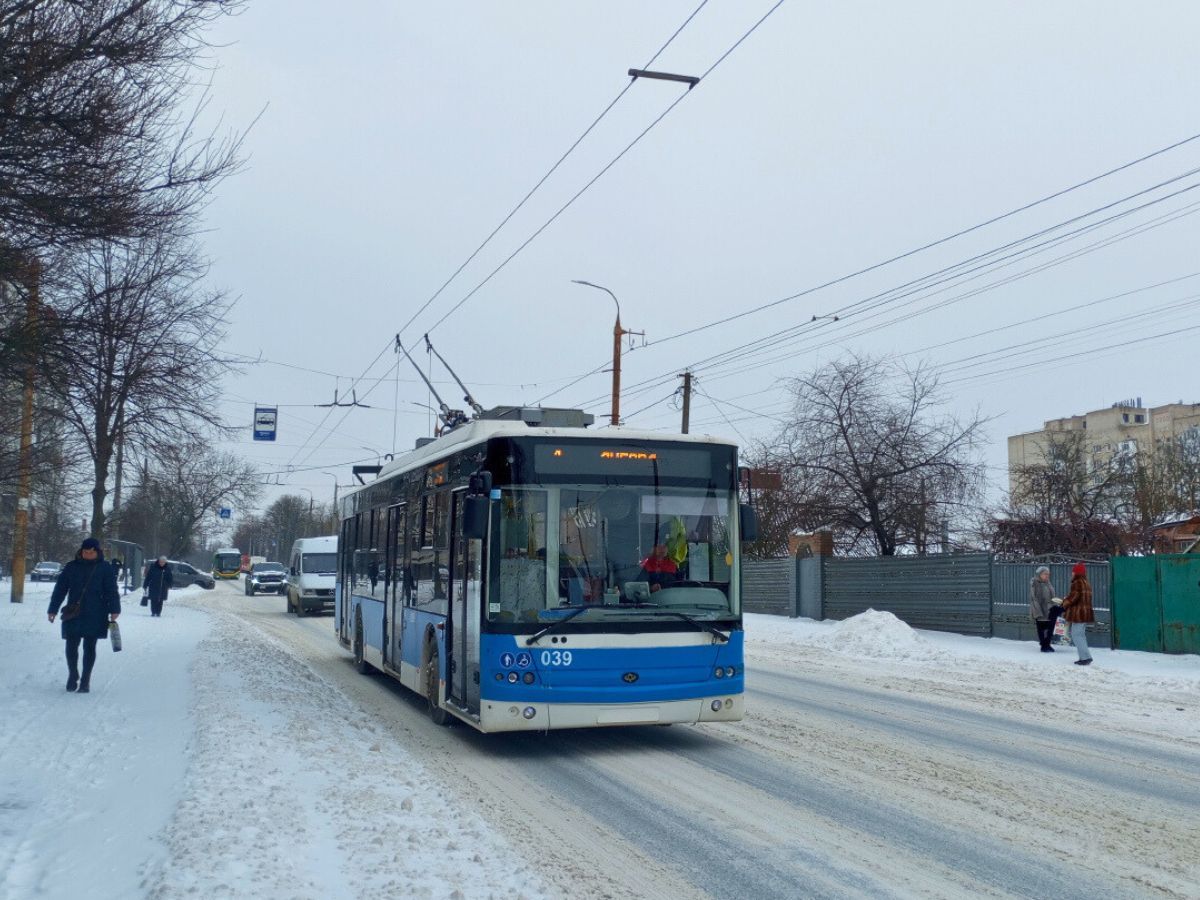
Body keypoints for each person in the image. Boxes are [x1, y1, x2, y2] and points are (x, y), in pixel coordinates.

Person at [47, 537, 121, 693]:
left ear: (97, 552)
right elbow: (60, 589)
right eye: (85, 552)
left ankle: (86, 679)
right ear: (81, 551)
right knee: (71, 644)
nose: (87, 554)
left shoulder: (105, 568)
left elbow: (111, 591)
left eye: (91, 552)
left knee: (89, 646)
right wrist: (52, 609)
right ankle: (73, 675)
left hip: (96, 612)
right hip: (73, 612)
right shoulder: (71, 567)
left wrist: (115, 609)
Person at [1059, 562, 1094, 666]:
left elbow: (1074, 598)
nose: (1072, 573)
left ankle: (1085, 658)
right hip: (1085, 613)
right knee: (1081, 635)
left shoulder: (1077, 582)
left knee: (1076, 635)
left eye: (1073, 571)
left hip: (1079, 614)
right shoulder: (1086, 582)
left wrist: (1063, 603)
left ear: (1076, 572)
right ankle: (1085, 657)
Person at [1029, 565, 1059, 652]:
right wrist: (1038, 610)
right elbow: (1034, 598)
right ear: (1039, 574)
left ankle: (1047, 644)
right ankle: (1043, 645)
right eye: (1045, 574)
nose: (1047, 576)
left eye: (1048, 574)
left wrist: (1055, 603)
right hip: (1040, 609)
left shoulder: (1048, 583)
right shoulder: (1035, 583)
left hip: (1049, 609)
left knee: (1050, 628)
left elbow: (1051, 596)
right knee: (1041, 628)